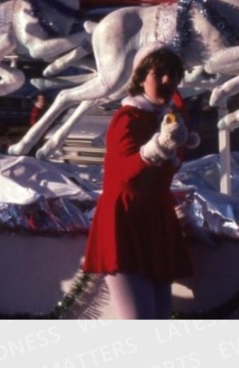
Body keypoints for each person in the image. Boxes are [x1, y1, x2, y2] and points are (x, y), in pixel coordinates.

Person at [82, 47, 199, 319]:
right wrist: (159, 145)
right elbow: (126, 173)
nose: (168, 81)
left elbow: (161, 180)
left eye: (174, 75)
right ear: (141, 78)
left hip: (155, 224)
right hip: (125, 224)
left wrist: (182, 217)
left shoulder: (165, 118)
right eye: (160, 74)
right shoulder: (127, 118)